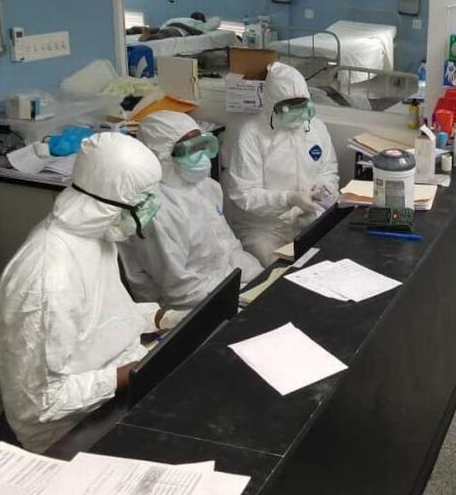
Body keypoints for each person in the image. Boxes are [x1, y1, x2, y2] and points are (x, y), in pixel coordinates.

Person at [0, 133, 180, 452]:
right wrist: (132, 370)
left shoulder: (97, 237)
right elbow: (40, 404)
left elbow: (106, 320)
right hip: (67, 429)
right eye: (142, 202)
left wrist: (165, 317)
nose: (151, 210)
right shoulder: (47, 278)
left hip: (113, 387)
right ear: (106, 205)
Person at [120, 111, 261, 310]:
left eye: (201, 145)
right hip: (185, 308)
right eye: (190, 149)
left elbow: (229, 248)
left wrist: (260, 277)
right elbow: (179, 291)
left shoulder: (207, 187)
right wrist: (238, 297)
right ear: (163, 155)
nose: (201, 156)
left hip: (225, 284)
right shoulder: (154, 212)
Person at [226, 62, 339, 265]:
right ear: (272, 103)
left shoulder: (316, 127)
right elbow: (245, 195)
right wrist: (288, 199)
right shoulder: (251, 135)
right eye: (289, 106)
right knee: (274, 273)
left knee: (324, 263)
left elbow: (328, 169)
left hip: (307, 217)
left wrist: (324, 188)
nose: (298, 112)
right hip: (265, 228)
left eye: (302, 104)